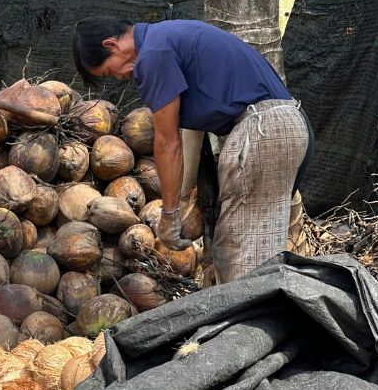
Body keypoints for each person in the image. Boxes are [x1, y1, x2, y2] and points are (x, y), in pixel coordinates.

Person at [72, 17, 314, 284]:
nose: (119, 77)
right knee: (257, 250)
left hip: (263, 131)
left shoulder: (152, 54)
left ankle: (251, 310)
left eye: (109, 71)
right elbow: (190, 134)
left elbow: (167, 143)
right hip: (285, 125)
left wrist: (169, 215)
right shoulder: (168, 37)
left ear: (111, 45)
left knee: (240, 260)